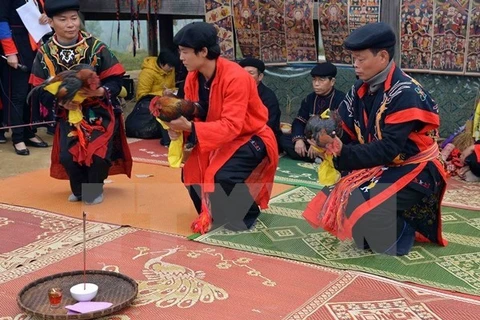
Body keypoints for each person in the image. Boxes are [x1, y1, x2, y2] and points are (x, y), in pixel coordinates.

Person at [303, 22, 447, 256]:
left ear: (382, 56)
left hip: (415, 169)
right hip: (383, 166)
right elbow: (341, 123)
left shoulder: (405, 92)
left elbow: (388, 149)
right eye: (354, 59)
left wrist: (343, 153)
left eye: (360, 59)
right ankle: (389, 217)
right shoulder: (361, 88)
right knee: (354, 216)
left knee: (371, 221)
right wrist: (322, 134)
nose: (355, 65)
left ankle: (405, 228)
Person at [166, 22, 278, 233]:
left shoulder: (236, 78)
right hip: (216, 135)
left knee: (223, 175)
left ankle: (249, 211)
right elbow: (195, 111)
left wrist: (190, 126)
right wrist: (178, 128)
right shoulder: (192, 77)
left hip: (250, 135)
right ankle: (214, 210)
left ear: (203, 52)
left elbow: (232, 125)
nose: (180, 58)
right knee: (190, 172)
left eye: (185, 52)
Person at [30, 0, 132, 204]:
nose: (70, 24)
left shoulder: (96, 47)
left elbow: (115, 79)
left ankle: (94, 189)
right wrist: (61, 103)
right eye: (63, 20)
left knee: (97, 153)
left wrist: (102, 91)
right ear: (50, 22)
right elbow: (39, 89)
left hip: (98, 111)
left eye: (74, 18)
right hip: (68, 113)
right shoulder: (45, 53)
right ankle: (78, 190)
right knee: (68, 156)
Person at [0, 0, 50, 155]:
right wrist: (10, 52)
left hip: (34, 48)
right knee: (19, 95)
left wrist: (46, 17)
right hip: (16, 47)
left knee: (32, 92)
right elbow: (1, 21)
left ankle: (29, 133)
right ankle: (18, 137)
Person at [280, 62, 345, 162]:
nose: (316, 84)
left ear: (332, 81)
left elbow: (338, 129)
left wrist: (318, 144)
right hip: (309, 140)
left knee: (343, 146)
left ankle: (319, 156)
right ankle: (318, 157)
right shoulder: (309, 99)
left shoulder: (341, 100)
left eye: (321, 80)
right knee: (284, 139)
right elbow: (299, 121)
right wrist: (299, 140)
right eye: (314, 80)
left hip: (329, 141)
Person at [126, 50, 178, 143]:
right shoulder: (147, 73)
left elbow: (172, 86)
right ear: (162, 64)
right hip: (151, 102)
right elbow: (141, 95)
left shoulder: (171, 70)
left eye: (173, 66)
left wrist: (173, 91)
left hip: (167, 98)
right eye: (169, 66)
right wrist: (161, 93)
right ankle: (167, 139)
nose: (171, 69)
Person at [239, 57, 281, 147]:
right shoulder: (236, 93)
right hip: (240, 135)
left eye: (251, 73)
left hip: (261, 136)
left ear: (260, 76)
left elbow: (269, 124)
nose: (246, 76)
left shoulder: (268, 97)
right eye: (243, 73)